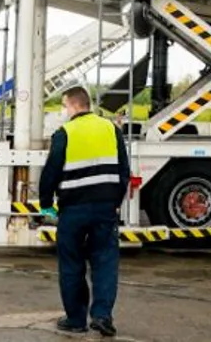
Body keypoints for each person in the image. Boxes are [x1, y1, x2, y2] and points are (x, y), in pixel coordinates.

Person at [39, 86, 129, 336]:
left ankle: (76, 320)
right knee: (105, 262)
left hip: (73, 210)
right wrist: (116, 200)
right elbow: (124, 171)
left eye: (64, 106)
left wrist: (46, 202)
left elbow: (51, 171)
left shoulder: (65, 132)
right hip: (105, 209)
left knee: (71, 265)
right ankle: (102, 316)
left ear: (72, 105)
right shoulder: (111, 129)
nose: (64, 111)